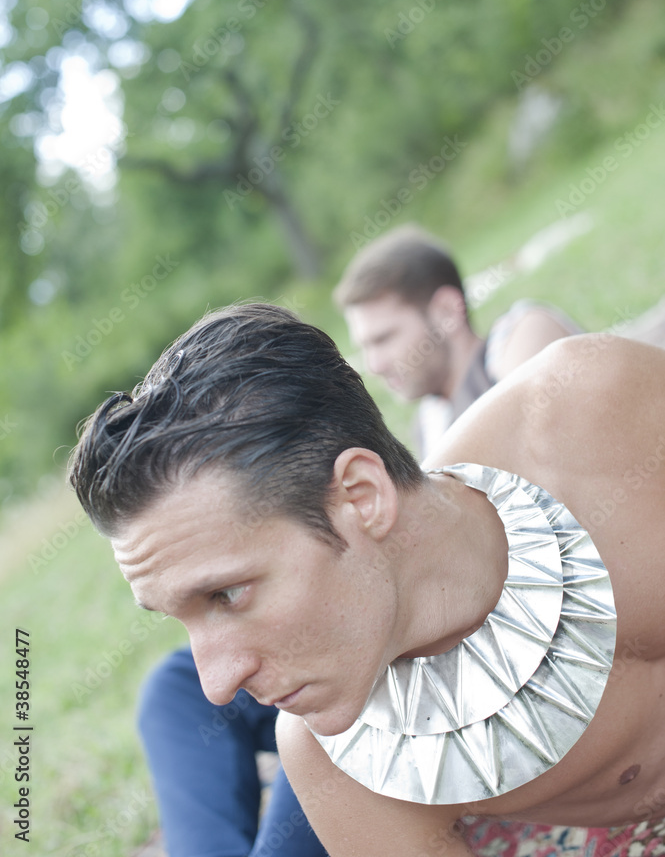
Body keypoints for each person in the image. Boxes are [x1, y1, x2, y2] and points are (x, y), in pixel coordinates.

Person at [69, 303, 665, 857]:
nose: (217, 685)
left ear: (361, 496)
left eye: (227, 593)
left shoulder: (596, 417)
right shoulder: (334, 760)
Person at [334, 224, 580, 455]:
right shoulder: (428, 426)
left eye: (383, 339)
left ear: (447, 311)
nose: (374, 366)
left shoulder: (520, 333)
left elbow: (532, 442)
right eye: (365, 347)